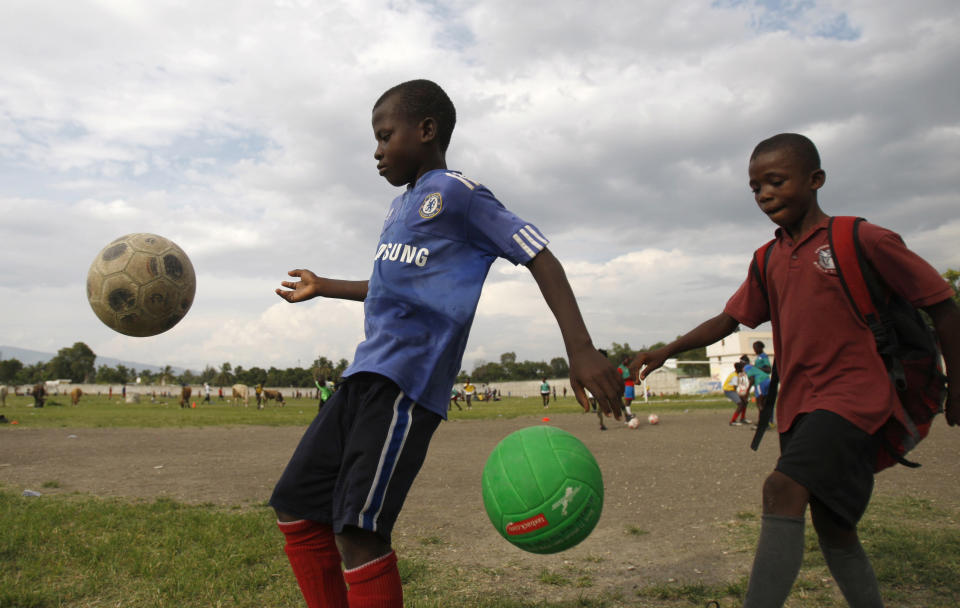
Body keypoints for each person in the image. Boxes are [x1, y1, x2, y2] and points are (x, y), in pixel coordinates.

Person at [268, 79, 623, 608]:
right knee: (295, 504)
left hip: (406, 383)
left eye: (386, 135)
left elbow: (537, 252)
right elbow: (387, 286)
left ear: (426, 130)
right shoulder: (399, 207)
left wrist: (581, 349)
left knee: (359, 531)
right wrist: (325, 287)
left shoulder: (459, 194)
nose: (377, 150)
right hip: (362, 374)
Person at [631, 133, 959, 608]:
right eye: (755, 187)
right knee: (835, 528)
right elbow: (729, 319)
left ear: (816, 179)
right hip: (799, 407)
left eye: (776, 181)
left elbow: (944, 306)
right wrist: (666, 350)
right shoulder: (767, 259)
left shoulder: (860, 239)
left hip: (856, 398)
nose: (764, 194)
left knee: (781, 489)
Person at [741, 355, 770, 426]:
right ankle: (765, 422)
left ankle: (763, 423)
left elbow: (752, 379)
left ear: (743, 363)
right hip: (767, 379)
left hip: (760, 381)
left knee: (759, 403)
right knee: (764, 403)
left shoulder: (746, 367)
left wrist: (747, 391)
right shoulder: (753, 367)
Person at [616, 354, 636, 422]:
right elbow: (619, 378)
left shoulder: (629, 366)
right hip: (626, 385)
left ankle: (629, 414)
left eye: (628, 359)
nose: (627, 360)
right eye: (626, 359)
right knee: (627, 400)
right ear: (623, 360)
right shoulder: (620, 368)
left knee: (630, 400)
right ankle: (627, 417)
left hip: (631, 385)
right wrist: (627, 378)